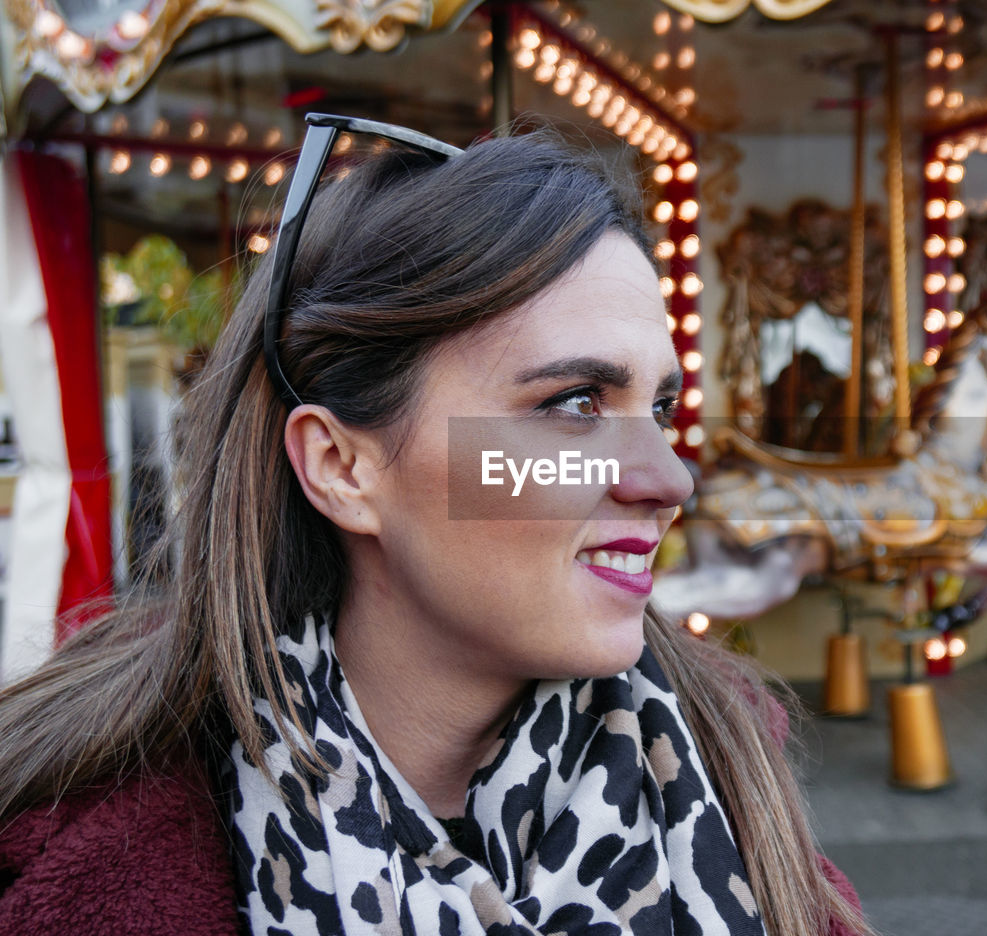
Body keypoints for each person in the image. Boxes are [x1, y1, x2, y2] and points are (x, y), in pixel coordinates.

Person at [0, 114, 869, 936]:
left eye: (661, 407)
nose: (669, 478)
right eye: (574, 403)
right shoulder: (91, 853)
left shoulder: (729, 782)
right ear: (344, 469)